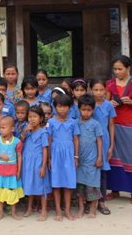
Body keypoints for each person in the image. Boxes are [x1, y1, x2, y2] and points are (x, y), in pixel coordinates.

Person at [105, 55, 132, 205]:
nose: (117, 72)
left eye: (120, 69)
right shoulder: (110, 84)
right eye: (115, 69)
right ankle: (114, 190)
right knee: (113, 158)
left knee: (131, 158)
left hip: (130, 125)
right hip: (113, 125)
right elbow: (105, 104)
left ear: (128, 68)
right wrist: (110, 103)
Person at [47, 94, 80, 222]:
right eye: (59, 106)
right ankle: (58, 211)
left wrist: (76, 157)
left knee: (68, 184)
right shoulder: (51, 122)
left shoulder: (73, 122)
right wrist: (49, 158)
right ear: (55, 107)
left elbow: (76, 140)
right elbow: (49, 141)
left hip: (69, 155)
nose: (62, 109)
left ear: (70, 107)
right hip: (55, 155)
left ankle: (67, 210)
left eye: (65, 106)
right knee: (56, 184)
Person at [73, 95, 104, 220]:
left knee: (93, 185)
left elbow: (99, 141)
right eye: (83, 110)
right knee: (80, 185)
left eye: (89, 110)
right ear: (79, 109)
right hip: (80, 159)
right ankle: (81, 208)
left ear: (93, 110)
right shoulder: (75, 123)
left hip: (92, 160)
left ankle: (92, 209)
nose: (86, 112)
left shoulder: (95, 124)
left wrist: (100, 158)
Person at [89, 77, 116, 215]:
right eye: (95, 90)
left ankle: (102, 201)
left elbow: (111, 126)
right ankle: (90, 201)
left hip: (104, 140)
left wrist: (111, 146)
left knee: (102, 173)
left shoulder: (109, 105)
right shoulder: (88, 104)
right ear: (91, 90)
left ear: (105, 90)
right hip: (89, 140)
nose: (98, 93)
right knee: (90, 171)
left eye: (101, 90)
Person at [19, 105, 51, 221]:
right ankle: (29, 208)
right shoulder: (27, 130)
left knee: (41, 185)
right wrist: (25, 131)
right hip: (27, 161)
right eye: (30, 116)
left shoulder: (43, 132)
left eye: (35, 117)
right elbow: (20, 142)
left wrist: (43, 166)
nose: (32, 119)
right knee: (29, 184)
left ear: (41, 118)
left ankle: (44, 211)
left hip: (38, 162)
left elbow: (45, 150)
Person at [0, 116, 24, 221]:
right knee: (0, 191)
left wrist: (19, 170)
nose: (1, 130)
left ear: (12, 129)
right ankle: (1, 213)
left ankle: (13, 213)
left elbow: (19, 156)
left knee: (12, 190)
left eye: (4, 128)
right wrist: (1, 156)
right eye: (0, 127)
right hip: (0, 170)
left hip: (12, 170)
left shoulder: (17, 141)